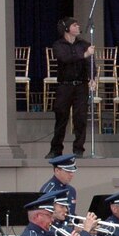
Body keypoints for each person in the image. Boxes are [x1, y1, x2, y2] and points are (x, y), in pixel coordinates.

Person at [48, 17, 94, 159]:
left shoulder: (84, 44)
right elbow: (65, 58)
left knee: (80, 118)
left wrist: (93, 77)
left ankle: (78, 149)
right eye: (75, 25)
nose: (78, 26)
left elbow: (90, 64)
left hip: (81, 86)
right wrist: (84, 54)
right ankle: (56, 149)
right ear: (67, 28)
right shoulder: (58, 45)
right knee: (61, 117)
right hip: (65, 86)